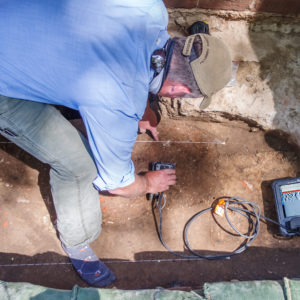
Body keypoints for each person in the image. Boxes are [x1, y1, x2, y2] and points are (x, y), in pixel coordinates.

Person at [0, 0, 231, 287]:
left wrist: (142, 105)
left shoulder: (151, 10)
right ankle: (78, 244)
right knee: (78, 167)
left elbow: (137, 54)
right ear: (181, 91)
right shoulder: (119, 104)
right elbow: (115, 183)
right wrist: (147, 183)